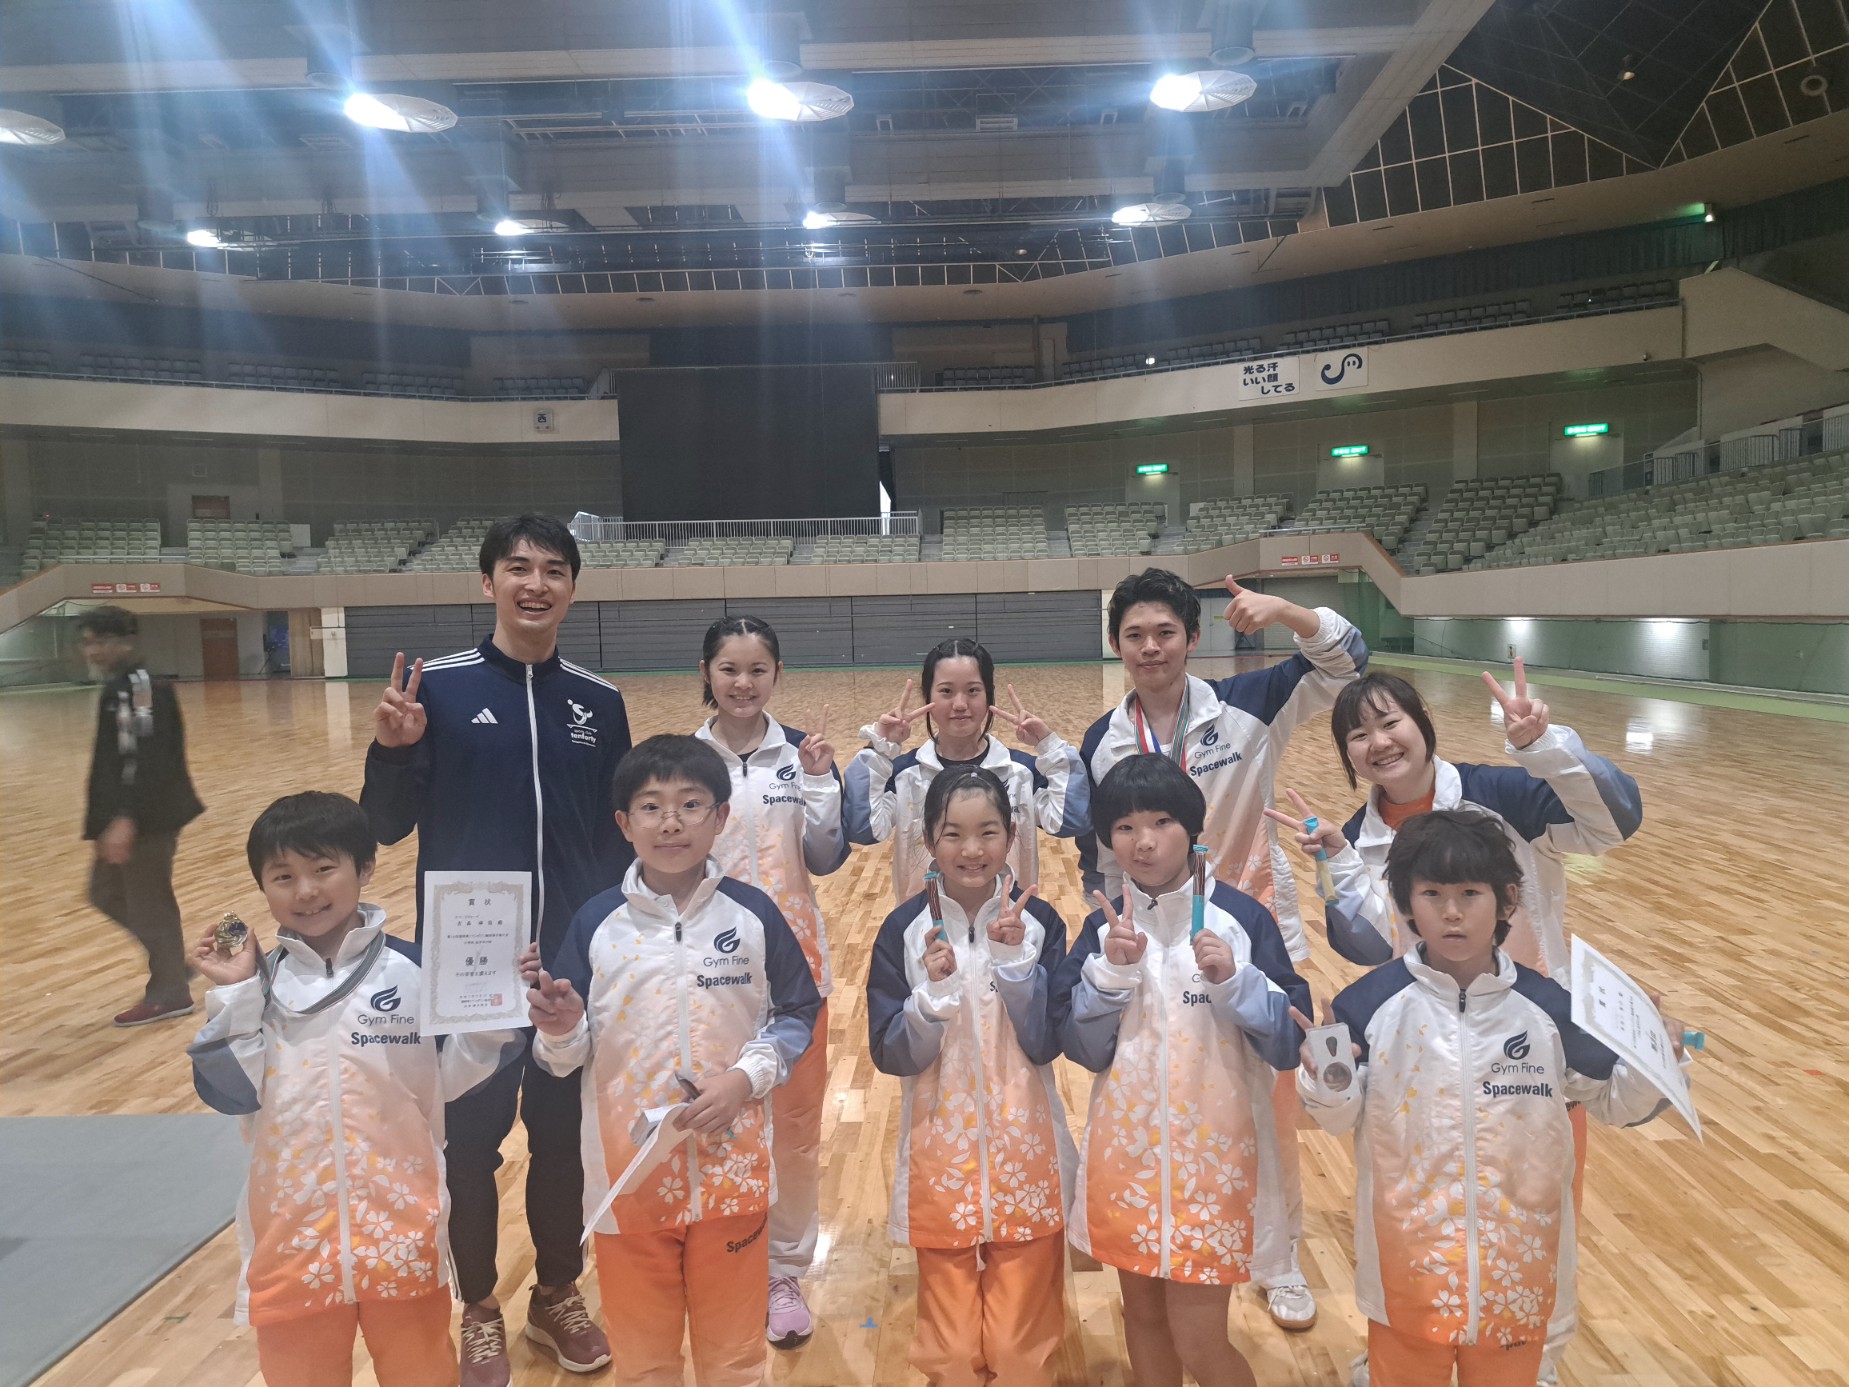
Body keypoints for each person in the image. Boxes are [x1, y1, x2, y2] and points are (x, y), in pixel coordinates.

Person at [1270, 662, 1643, 1385]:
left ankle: (1529, 1355)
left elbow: (1611, 822)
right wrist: (1338, 866)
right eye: (1358, 734)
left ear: (1422, 724)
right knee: (1416, 1203)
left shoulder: (1500, 794)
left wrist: (1543, 747)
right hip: (1419, 1059)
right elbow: (1370, 948)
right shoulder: (1359, 833)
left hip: (1526, 1044)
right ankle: (1411, 1339)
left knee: (1532, 1206)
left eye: (1390, 721)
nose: (1379, 741)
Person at [361, 513, 632, 1385]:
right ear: (488, 582)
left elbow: (616, 838)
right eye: (518, 567)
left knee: (561, 1140)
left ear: (573, 588)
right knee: (469, 1146)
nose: (535, 583)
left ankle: (555, 1292)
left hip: (565, 965)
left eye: (554, 569)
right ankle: (477, 1306)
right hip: (466, 968)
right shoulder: (435, 690)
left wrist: (607, 949)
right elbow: (383, 826)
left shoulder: (598, 701)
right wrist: (391, 751)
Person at [1297, 809, 1683, 1387]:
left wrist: (1656, 1058)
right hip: (1407, 1267)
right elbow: (1336, 1118)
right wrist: (1326, 1080)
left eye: (1470, 894)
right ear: (1406, 903)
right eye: (1432, 894)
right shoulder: (1368, 1005)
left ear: (1506, 902)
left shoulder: (1550, 1008)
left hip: (1519, 1271)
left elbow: (1617, 1102)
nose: (1452, 912)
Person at [1078, 567, 1367, 1330]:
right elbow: (1102, 851)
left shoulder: (1250, 702)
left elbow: (1349, 662)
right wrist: (1107, 934)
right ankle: (1163, 1225)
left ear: (1192, 637)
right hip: (1152, 942)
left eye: (1164, 632)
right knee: (1162, 1094)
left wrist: (1289, 611)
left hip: (1249, 931)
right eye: (1134, 635)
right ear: (1115, 645)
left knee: (1268, 1108)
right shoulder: (1102, 740)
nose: (1150, 647)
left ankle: (1277, 1259)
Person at [187, 792, 522, 1387]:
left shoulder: (416, 970)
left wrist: (493, 1009)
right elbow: (232, 1094)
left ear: (365, 868)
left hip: (402, 1228)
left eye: (323, 868)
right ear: (262, 886)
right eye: (283, 876)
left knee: (424, 1375)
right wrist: (235, 994)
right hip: (292, 1239)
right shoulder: (256, 989)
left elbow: (453, 1081)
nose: (306, 891)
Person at [523, 735, 822, 1387]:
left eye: (690, 804)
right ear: (624, 823)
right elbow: (565, 1053)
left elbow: (798, 1010)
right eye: (651, 806)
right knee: (645, 1360)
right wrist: (560, 1031)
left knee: (734, 1358)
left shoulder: (754, 915)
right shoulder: (596, 924)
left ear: (721, 817)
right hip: (628, 1183)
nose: (670, 822)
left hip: (732, 1175)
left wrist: (745, 1078)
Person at [1054, 756, 1308, 1387]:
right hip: (1127, 1163)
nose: (1143, 842)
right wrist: (1108, 978)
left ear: (1193, 828)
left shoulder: (1242, 920)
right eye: (1124, 827)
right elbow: (1082, 1049)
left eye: (1161, 822)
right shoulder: (1102, 929)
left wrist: (1237, 983)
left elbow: (1290, 1042)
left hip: (1215, 1169)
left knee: (1200, 1341)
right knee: (1141, 1319)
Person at [866, 766, 1076, 1387]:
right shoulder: (904, 931)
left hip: (1026, 1151)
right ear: (928, 841)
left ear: (1012, 834)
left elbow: (1045, 1041)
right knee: (953, 1355)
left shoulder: (1040, 924)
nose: (972, 849)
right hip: (940, 1155)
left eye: (988, 831)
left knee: (1017, 1351)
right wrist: (930, 999)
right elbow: (892, 1054)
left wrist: (1016, 966)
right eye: (952, 833)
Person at [691, 615, 848, 1346]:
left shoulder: (804, 755)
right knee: (712, 1124)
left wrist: (818, 782)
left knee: (794, 1133)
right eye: (729, 668)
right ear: (706, 674)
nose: (743, 683)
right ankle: (723, 1259)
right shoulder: (684, 761)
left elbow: (825, 857)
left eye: (757, 669)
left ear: (777, 674)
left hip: (797, 974)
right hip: (707, 978)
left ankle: (783, 1269)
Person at [846, 637, 1088, 904]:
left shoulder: (1021, 773)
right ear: (927, 696)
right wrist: (879, 750)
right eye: (946, 691)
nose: (960, 703)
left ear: (989, 696)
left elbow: (1069, 821)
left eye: (973, 690)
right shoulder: (904, 774)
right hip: (925, 925)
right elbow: (864, 829)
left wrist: (1049, 745)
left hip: (1010, 922)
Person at [79, 604, 205, 1027]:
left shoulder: (142, 689)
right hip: (122, 818)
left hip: (147, 818)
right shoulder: (118, 688)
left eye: (100, 641)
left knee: (150, 904)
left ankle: (170, 993)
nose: (91, 651)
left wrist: (125, 819)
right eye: (87, 642)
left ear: (125, 642)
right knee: (104, 893)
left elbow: (146, 758)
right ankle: (171, 964)